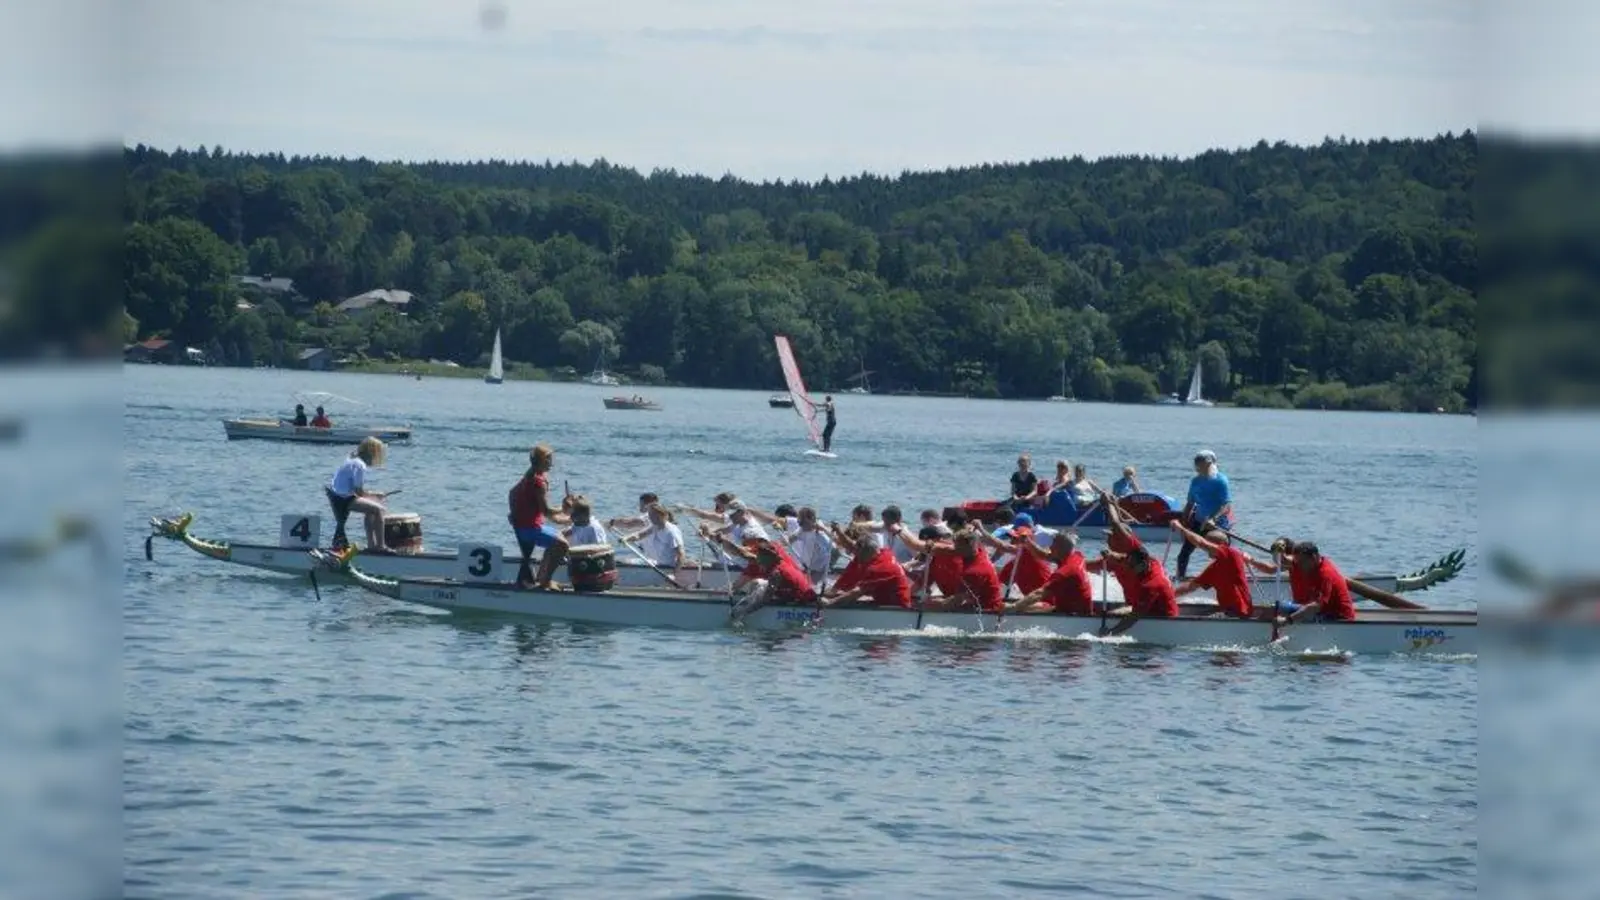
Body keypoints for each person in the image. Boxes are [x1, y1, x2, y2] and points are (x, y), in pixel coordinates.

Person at [1169, 520, 1275, 618]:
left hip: (1237, 612)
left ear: (1221, 545)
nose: (1207, 549)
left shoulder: (1231, 554)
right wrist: (1169, 595)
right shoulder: (1213, 568)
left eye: (1210, 544)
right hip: (1227, 611)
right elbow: (1191, 586)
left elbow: (1201, 543)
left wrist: (1181, 528)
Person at [508, 444, 571, 590]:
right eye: (549, 460)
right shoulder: (538, 481)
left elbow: (512, 493)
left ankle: (541, 577)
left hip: (525, 526)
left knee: (558, 536)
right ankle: (546, 581)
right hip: (529, 529)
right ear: (542, 461)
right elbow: (547, 511)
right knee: (563, 545)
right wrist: (565, 509)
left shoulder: (529, 474)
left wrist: (513, 514)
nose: (552, 463)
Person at [1005, 531, 1094, 616]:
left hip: (1072, 615)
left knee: (1020, 607)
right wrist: (1028, 542)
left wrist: (1013, 607)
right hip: (1072, 609)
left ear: (1060, 548)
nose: (1049, 547)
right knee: (1024, 606)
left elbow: (1039, 594)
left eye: (1053, 545)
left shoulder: (1065, 572)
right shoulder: (1077, 556)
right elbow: (1043, 555)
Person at [326, 437, 391, 552]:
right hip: (344, 499)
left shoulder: (352, 460)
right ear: (372, 453)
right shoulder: (359, 465)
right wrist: (376, 495)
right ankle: (381, 547)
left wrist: (373, 496)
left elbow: (357, 491)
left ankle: (372, 546)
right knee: (380, 510)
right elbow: (359, 492)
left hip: (340, 497)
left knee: (371, 509)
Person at [1176, 450, 1233, 580]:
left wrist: (1214, 519)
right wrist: (1183, 523)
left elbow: (1226, 506)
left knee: (1222, 556)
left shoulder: (1221, 481)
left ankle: (1228, 579)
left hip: (1218, 524)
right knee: (1183, 555)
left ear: (1209, 464)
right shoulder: (1195, 481)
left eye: (1199, 464)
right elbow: (1190, 504)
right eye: (1195, 464)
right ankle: (1180, 581)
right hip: (1198, 522)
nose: (1196, 467)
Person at [728, 539, 816, 621]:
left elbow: (764, 600)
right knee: (757, 583)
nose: (758, 559)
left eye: (760, 556)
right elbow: (745, 554)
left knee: (762, 593)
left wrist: (743, 612)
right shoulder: (779, 563)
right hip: (793, 593)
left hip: (803, 601)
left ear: (768, 558)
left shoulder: (775, 573)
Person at [1101, 544, 1179, 635]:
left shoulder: (1150, 586)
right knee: (1113, 612)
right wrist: (1111, 554)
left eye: (1132, 566)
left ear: (1144, 564)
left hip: (1164, 620)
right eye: (1129, 564)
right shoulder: (1154, 562)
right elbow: (1125, 559)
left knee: (1118, 613)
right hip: (1152, 607)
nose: (1129, 568)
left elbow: (1134, 617)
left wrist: (1110, 632)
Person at [823, 532, 913, 608]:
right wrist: (831, 592)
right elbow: (854, 550)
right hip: (884, 600)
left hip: (896, 608)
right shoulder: (884, 552)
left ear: (866, 552)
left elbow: (857, 592)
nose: (859, 559)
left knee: (847, 599)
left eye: (860, 555)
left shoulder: (879, 568)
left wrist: (830, 603)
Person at [1276, 541, 1357, 623]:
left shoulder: (1325, 574)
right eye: (1297, 563)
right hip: (1323, 610)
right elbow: (1286, 561)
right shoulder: (1310, 563)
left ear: (1314, 557)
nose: (1299, 566)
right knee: (1277, 608)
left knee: (1282, 611)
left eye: (1301, 563)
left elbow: (1315, 607)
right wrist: (1280, 553)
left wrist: (1288, 620)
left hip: (1340, 617)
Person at [620, 503, 688, 572]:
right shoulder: (655, 526)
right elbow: (639, 535)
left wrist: (674, 573)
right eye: (650, 515)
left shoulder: (671, 532)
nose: (651, 518)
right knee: (621, 562)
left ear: (662, 515)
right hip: (654, 563)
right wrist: (626, 538)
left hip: (666, 567)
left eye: (653, 515)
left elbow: (681, 555)